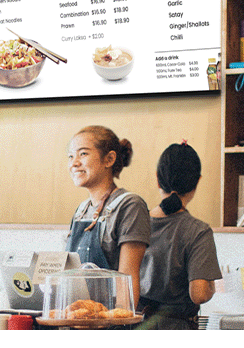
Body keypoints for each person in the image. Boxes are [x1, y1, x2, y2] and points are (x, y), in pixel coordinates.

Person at [137, 141, 222, 330]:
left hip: (135, 326)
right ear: (197, 182)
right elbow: (199, 294)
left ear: (158, 180)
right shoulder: (198, 231)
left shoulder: (136, 223)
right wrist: (211, 287)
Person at [65, 125, 150, 306]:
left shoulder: (130, 205)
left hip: (109, 321)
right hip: (79, 317)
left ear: (109, 159)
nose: (74, 163)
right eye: (70, 156)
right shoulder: (81, 210)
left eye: (83, 154)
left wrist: (117, 326)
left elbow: (127, 279)